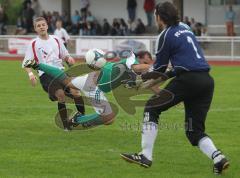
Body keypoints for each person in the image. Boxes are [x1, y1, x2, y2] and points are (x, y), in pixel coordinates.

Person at [120, 2, 229, 175]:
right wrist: (146, 82)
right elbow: (176, 67)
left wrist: (139, 79)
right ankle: (218, 158)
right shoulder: (185, 27)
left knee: (151, 108)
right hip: (206, 81)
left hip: (188, 80)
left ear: (159, 17)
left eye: (155, 15)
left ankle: (145, 155)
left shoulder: (165, 35)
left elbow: (159, 70)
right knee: (194, 131)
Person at [23, 50, 155, 130]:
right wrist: (152, 67)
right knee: (109, 118)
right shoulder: (132, 61)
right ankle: (37, 64)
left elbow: (150, 81)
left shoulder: (136, 67)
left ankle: (77, 119)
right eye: (148, 60)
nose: (150, 62)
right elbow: (141, 68)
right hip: (93, 86)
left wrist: (167, 95)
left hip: (92, 80)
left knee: (68, 81)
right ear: (142, 58)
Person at [22, 17, 85, 131]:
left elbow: (65, 55)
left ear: (47, 26)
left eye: (43, 25)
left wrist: (69, 59)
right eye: (38, 26)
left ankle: (82, 118)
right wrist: (31, 75)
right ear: (35, 29)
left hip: (60, 71)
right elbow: (26, 63)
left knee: (76, 91)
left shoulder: (56, 39)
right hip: (46, 75)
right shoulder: (33, 43)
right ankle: (66, 126)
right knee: (60, 94)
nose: (41, 27)